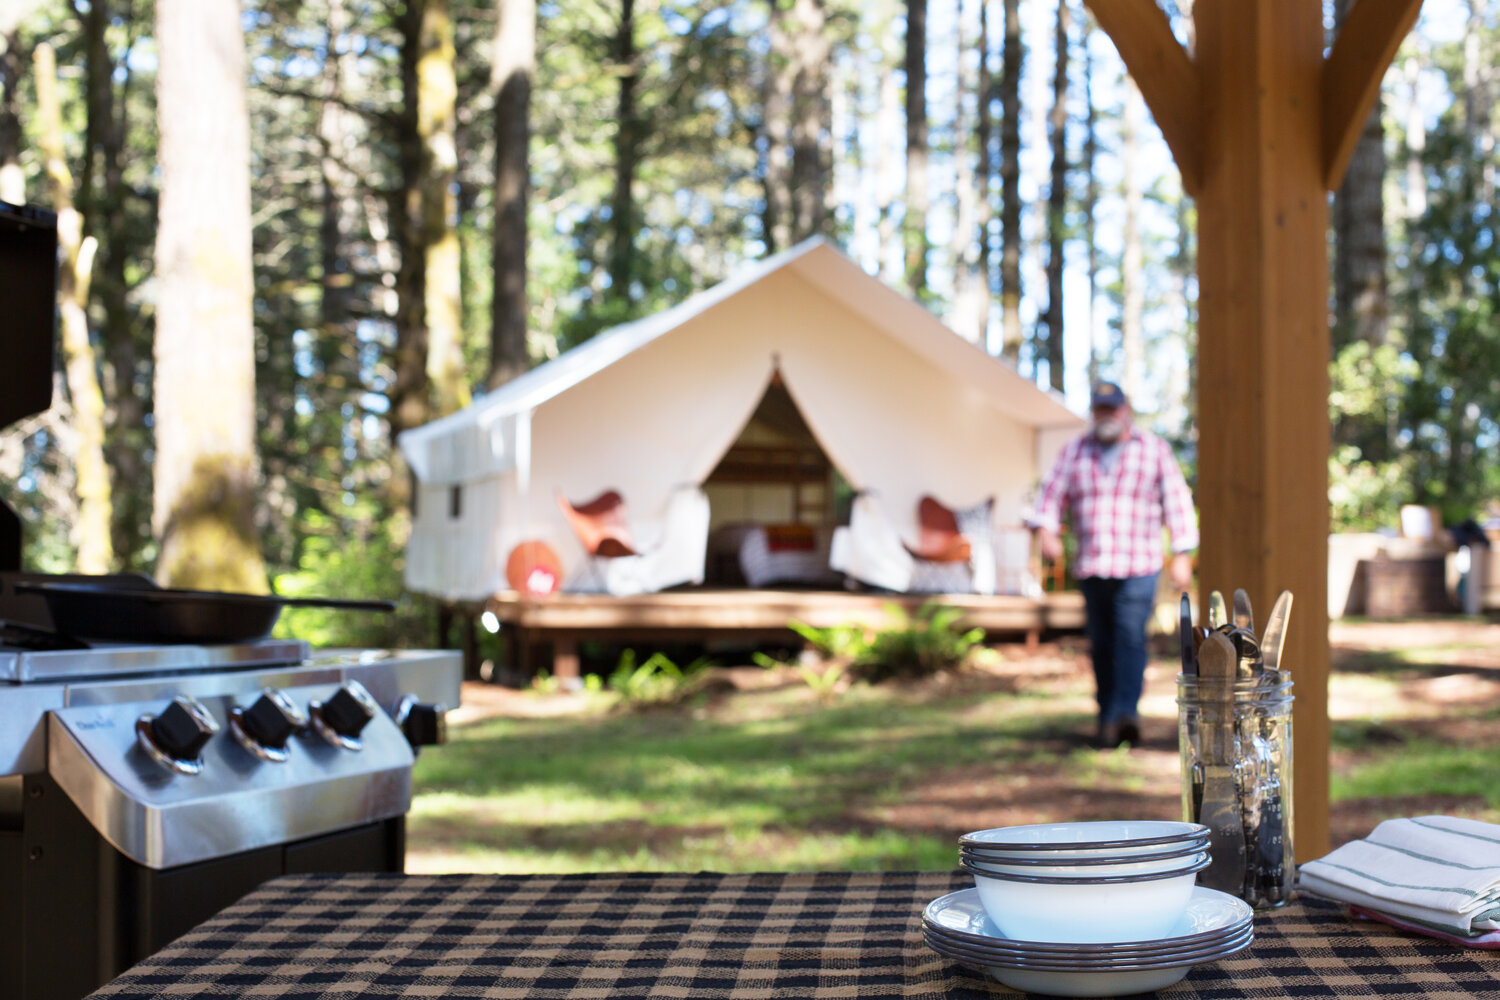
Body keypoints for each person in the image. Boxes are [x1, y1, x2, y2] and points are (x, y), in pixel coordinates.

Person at [1027, 381, 1198, 748]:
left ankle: (1125, 713)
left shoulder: (1153, 450)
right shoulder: (1075, 451)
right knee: (1101, 643)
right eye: (1100, 410)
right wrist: (1047, 530)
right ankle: (1106, 712)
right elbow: (1050, 495)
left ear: (1126, 411)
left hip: (1139, 565)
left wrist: (1182, 554)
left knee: (1130, 637)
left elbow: (1178, 502)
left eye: (1112, 409)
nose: (1106, 416)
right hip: (1093, 565)